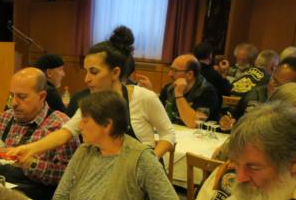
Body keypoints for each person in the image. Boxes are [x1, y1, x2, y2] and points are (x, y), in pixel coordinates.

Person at [9, 36, 176, 164]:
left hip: (142, 172)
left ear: (115, 72)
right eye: (86, 71)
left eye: (94, 72)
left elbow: (168, 134)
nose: (87, 79)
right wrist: (29, 149)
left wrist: (152, 157)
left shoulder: (144, 97)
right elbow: (65, 133)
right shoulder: (91, 103)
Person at [52, 91, 182, 200]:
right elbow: (58, 199)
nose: (79, 126)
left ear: (107, 125)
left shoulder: (140, 158)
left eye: (85, 121)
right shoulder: (84, 151)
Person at [0, 68, 79, 200]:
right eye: (12, 95)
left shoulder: (61, 126)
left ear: (41, 96)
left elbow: (68, 178)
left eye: (22, 97)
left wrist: (31, 164)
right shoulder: (7, 117)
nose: (13, 103)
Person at [227, 56, 296, 124]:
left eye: (281, 85)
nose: (273, 85)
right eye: (274, 79)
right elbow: (234, 120)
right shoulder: (255, 95)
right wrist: (227, 122)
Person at [159, 53, 220, 126]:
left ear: (190, 74)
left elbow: (193, 123)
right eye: (170, 69)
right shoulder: (168, 88)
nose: (170, 74)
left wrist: (179, 94)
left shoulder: (207, 91)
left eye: (175, 70)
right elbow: (157, 115)